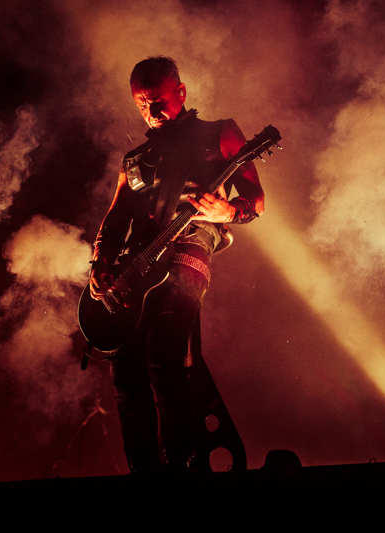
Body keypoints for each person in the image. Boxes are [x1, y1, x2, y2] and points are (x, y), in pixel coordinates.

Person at [89, 57, 264, 474]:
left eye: (159, 100)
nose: (151, 111)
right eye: (142, 104)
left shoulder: (218, 133)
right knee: (125, 370)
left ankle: (184, 465)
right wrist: (100, 263)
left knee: (164, 351)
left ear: (181, 93)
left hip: (189, 248)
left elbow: (256, 200)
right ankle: (145, 473)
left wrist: (226, 211)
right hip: (137, 265)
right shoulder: (133, 160)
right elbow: (114, 220)